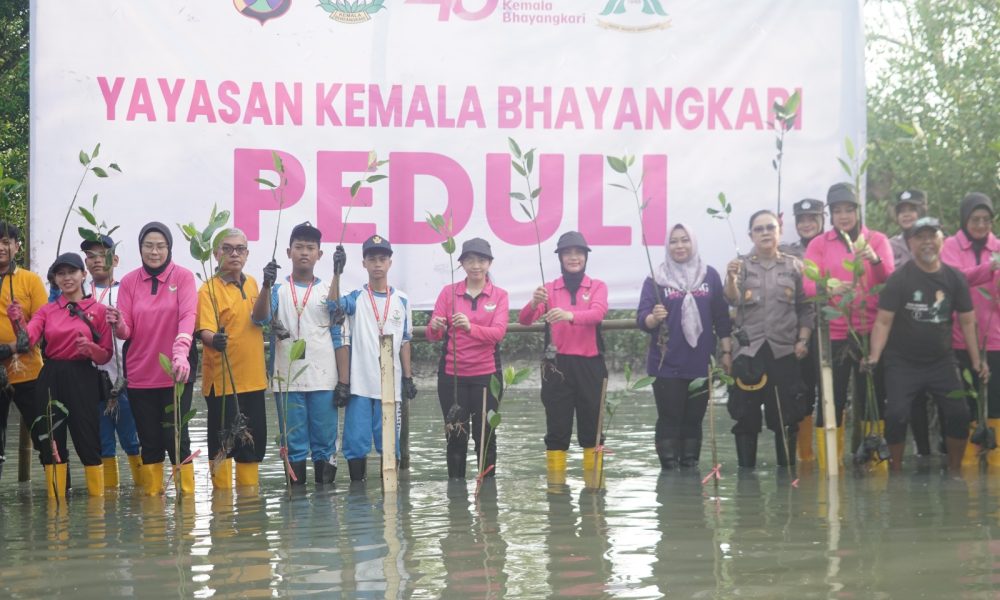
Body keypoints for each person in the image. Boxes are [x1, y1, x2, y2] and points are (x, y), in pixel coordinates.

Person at [866, 217, 983, 472]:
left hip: (942, 361)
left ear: (942, 240)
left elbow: (967, 322)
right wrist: (874, 356)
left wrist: (976, 361)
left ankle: (954, 471)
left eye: (933, 236)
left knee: (959, 414)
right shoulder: (899, 279)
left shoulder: (954, 278)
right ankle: (895, 471)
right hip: (902, 362)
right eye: (920, 237)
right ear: (910, 243)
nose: (927, 242)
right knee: (896, 415)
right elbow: (883, 322)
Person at [803, 183, 894, 467]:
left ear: (858, 211)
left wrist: (874, 259)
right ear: (830, 214)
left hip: (870, 333)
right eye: (837, 210)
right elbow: (808, 285)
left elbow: (887, 278)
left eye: (849, 209)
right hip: (835, 333)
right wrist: (828, 286)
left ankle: (874, 462)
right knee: (833, 397)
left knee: (873, 397)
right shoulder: (819, 243)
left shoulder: (876, 239)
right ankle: (830, 465)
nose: (843, 216)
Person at [106, 223, 198, 496]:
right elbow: (127, 331)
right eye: (148, 246)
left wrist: (180, 351)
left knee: (177, 439)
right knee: (150, 441)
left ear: (169, 248)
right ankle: (153, 513)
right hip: (140, 374)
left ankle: (188, 505)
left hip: (175, 373)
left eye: (160, 246)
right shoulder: (130, 282)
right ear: (140, 249)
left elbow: (188, 316)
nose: (154, 251)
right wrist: (118, 321)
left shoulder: (183, 277)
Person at [12, 253, 113, 497]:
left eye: (72, 272)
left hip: (83, 376)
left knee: (87, 440)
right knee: (51, 441)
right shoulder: (47, 311)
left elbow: (106, 355)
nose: (67, 278)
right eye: (61, 273)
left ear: (83, 274)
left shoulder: (98, 310)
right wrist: (18, 323)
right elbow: (29, 340)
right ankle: (57, 506)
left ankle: (96, 509)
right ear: (55, 279)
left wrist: (91, 349)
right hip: (51, 376)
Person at [259, 222, 348, 486]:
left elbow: (335, 311)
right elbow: (259, 319)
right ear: (288, 252)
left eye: (311, 248)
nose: (305, 252)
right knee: (294, 443)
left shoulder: (326, 289)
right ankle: (295, 512)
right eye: (299, 247)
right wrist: (265, 284)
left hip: (323, 378)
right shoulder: (277, 289)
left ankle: (325, 509)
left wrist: (337, 273)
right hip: (287, 379)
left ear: (320, 254)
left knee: (324, 443)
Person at [637, 224, 732, 471]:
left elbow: (721, 316)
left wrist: (726, 351)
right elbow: (642, 319)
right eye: (674, 242)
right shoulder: (655, 278)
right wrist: (653, 318)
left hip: (701, 360)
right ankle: (669, 470)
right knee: (669, 418)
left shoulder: (709, 275)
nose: (679, 246)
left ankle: (690, 466)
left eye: (685, 240)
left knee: (694, 419)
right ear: (667, 246)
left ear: (694, 243)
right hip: (666, 361)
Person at [725, 210, 814, 469]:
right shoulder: (740, 265)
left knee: (786, 418)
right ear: (750, 234)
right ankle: (747, 483)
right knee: (745, 419)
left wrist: (803, 340)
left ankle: (787, 483)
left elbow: (806, 308)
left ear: (780, 231)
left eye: (770, 228)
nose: (765, 233)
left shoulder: (795, 266)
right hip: (749, 353)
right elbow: (730, 299)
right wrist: (731, 278)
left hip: (784, 352)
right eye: (759, 229)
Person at [519, 231, 609, 486]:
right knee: (557, 430)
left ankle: (594, 489)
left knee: (593, 430)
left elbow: (597, 313)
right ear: (559, 257)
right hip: (556, 366)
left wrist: (569, 315)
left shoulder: (597, 286)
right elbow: (525, 320)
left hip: (590, 364)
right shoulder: (549, 288)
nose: (573, 257)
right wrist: (534, 302)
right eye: (567, 253)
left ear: (585, 257)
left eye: (578, 253)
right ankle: (556, 492)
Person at [427, 238, 509, 479]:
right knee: (455, 437)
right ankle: (457, 501)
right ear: (461, 263)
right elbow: (434, 335)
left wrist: (470, 327)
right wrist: (435, 325)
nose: (476, 265)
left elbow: (498, 333)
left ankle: (487, 498)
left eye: (481, 260)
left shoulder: (500, 295)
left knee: (486, 437)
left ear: (489, 263)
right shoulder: (448, 292)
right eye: (470, 260)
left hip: (487, 376)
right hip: (453, 377)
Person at [338, 234, 416, 482]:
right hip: (360, 385)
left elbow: (404, 340)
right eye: (372, 259)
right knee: (355, 446)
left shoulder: (402, 300)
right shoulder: (354, 297)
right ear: (364, 263)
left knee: (389, 446)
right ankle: (356, 500)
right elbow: (333, 310)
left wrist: (408, 377)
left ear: (390, 262)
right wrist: (336, 273)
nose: (378, 264)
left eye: (382, 259)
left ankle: (390, 503)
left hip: (390, 388)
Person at [197, 228, 269, 490]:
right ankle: (222, 514)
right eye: (227, 248)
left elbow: (261, 319)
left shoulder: (251, 284)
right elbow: (203, 330)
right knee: (222, 447)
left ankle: (250, 511)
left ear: (247, 254)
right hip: (223, 383)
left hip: (254, 380)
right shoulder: (208, 289)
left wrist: (267, 286)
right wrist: (213, 338)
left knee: (252, 445)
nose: (234, 254)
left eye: (240, 249)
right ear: (216, 254)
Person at [941, 192, 1000, 466]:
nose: (980, 224)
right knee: (963, 403)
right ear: (964, 220)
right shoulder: (951, 246)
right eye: (975, 219)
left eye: (986, 219)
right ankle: (966, 463)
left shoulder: (997, 246)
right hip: (960, 338)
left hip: (994, 338)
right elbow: (955, 279)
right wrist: (990, 268)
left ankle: (995, 462)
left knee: (995, 402)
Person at [82, 234, 142, 489]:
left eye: (102, 255)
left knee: (132, 440)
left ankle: (145, 496)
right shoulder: (81, 296)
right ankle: (106, 504)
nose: (97, 261)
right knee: (103, 442)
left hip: (124, 378)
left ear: (115, 260)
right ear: (85, 264)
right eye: (91, 257)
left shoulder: (126, 292)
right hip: (92, 380)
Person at [887, 190, 935, 458]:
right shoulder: (889, 245)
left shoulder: (938, 241)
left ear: (922, 212)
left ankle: (935, 449)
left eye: (912, 209)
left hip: (934, 326)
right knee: (911, 395)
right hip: (901, 328)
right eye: (902, 209)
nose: (907, 213)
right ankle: (919, 453)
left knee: (939, 394)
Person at [0, 221, 46, 484]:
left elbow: (41, 328)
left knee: (47, 437)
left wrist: (19, 336)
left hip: (28, 371)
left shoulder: (30, 280)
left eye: (6, 241)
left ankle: (60, 502)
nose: (1, 247)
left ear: (17, 246)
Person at [780, 198, 825, 462]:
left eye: (812, 219)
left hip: (832, 331)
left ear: (822, 219)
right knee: (802, 389)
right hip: (799, 333)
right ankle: (804, 456)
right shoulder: (787, 251)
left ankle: (830, 455)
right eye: (802, 220)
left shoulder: (832, 248)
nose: (807, 224)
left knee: (832, 392)